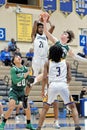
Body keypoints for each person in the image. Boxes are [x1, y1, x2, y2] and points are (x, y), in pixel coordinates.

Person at [36, 45, 81, 130]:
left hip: (52, 85)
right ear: (61, 53)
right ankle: (77, 126)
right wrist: (65, 84)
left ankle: (39, 127)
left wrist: (43, 90)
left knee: (45, 108)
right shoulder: (66, 62)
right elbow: (70, 77)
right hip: (63, 85)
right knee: (73, 107)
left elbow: (44, 78)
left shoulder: (48, 63)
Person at [31, 19, 62, 128]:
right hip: (36, 60)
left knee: (50, 93)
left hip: (45, 59)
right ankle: (27, 90)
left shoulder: (45, 35)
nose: (40, 28)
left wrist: (47, 21)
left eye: (41, 27)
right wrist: (39, 19)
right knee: (32, 80)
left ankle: (54, 121)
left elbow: (53, 26)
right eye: (39, 27)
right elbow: (34, 24)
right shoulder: (34, 36)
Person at [0, 54, 36, 130]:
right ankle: (2, 124)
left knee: (27, 107)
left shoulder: (26, 69)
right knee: (11, 107)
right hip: (14, 91)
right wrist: (24, 76)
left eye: (19, 56)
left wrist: (31, 79)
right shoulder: (13, 69)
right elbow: (15, 81)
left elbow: (28, 78)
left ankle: (29, 124)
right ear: (14, 61)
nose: (18, 57)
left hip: (22, 91)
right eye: (16, 57)